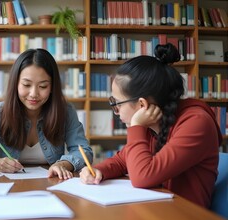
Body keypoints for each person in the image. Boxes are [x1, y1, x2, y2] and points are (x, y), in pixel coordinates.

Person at [79, 43, 222, 208]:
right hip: (160, 211)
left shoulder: (197, 123)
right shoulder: (153, 125)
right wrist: (99, 170)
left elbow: (143, 176)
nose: (115, 110)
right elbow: (121, 160)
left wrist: (136, 126)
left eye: (116, 103)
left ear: (141, 105)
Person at [0, 48, 93, 180]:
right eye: (26, 85)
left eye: (43, 86)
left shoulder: (65, 112)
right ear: (16, 84)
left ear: (52, 87)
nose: (33, 94)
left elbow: (83, 151)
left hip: (51, 183)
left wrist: (63, 164)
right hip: (6, 185)